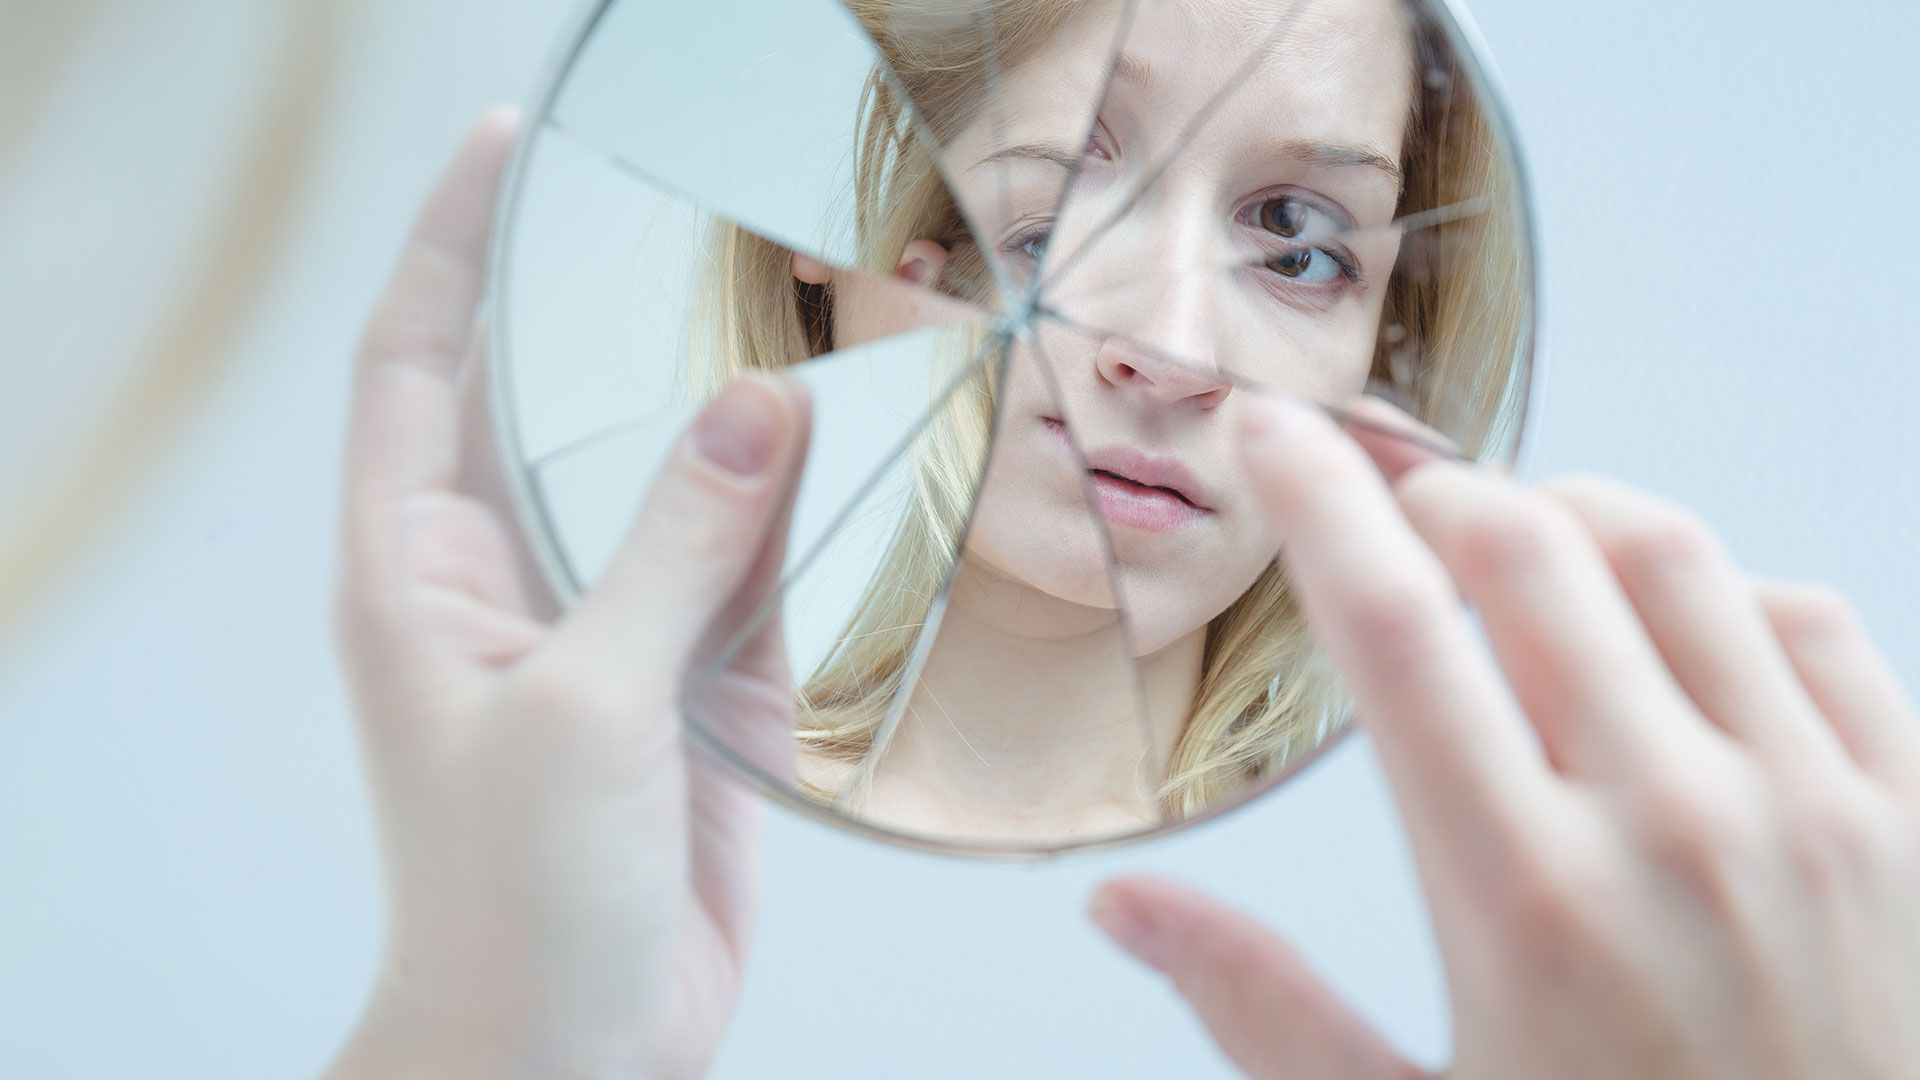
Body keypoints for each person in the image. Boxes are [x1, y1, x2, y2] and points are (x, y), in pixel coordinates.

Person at [326, 113, 1919, 1079]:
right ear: (844, 236)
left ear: (1389, 343)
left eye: (1298, 240)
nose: (1168, 347)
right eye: (1056, 202)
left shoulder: (1582, 935)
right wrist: (486, 1054)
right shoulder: (602, 838)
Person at [688, 0, 1525, 842]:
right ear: (846, 205)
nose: (1174, 356)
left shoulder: (1421, 903)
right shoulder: (639, 812)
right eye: (1074, 195)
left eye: (1293, 239)